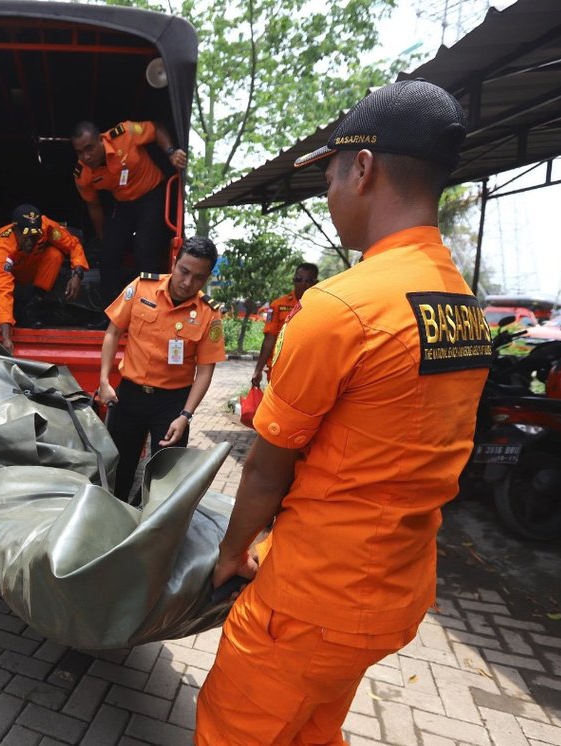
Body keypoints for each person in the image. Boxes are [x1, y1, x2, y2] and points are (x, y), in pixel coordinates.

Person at [196, 80, 490, 745]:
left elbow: (267, 473)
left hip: (310, 602)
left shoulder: (341, 308)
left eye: (330, 176)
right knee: (312, 726)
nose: (328, 196)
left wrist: (232, 554)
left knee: (235, 726)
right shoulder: (460, 304)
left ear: (363, 169)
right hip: (395, 591)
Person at [97, 236, 226, 503]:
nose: (188, 282)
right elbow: (113, 332)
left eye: (199, 277)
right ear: (175, 262)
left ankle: (146, 527)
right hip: (129, 396)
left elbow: (205, 371)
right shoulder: (142, 287)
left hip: (171, 405)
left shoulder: (208, 314)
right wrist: (104, 381)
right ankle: (114, 522)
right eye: (184, 271)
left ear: (207, 278)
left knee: (164, 478)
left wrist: (185, 416)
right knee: (119, 469)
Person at [71, 120, 187, 304]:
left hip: (151, 192)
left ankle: (149, 305)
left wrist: (171, 152)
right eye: (79, 152)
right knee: (108, 253)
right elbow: (94, 207)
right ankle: (111, 312)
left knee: (144, 248)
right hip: (123, 202)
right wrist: (104, 237)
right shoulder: (82, 174)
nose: (86, 156)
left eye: (90, 148)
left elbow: (157, 128)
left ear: (101, 140)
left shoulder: (125, 133)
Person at [0, 204, 89, 351]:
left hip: (29, 271)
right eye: (26, 237)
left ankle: (34, 306)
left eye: (34, 237)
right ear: (14, 230)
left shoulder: (47, 227)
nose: (30, 242)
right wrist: (6, 337)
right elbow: (2, 287)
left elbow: (73, 245)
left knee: (54, 254)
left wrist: (77, 273)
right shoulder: (2, 244)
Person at [250, 262, 319, 387]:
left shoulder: (322, 307)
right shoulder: (278, 305)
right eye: (298, 279)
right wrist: (258, 370)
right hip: (280, 368)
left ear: (316, 282)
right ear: (293, 280)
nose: (302, 284)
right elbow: (269, 338)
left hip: (308, 370)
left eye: (308, 281)